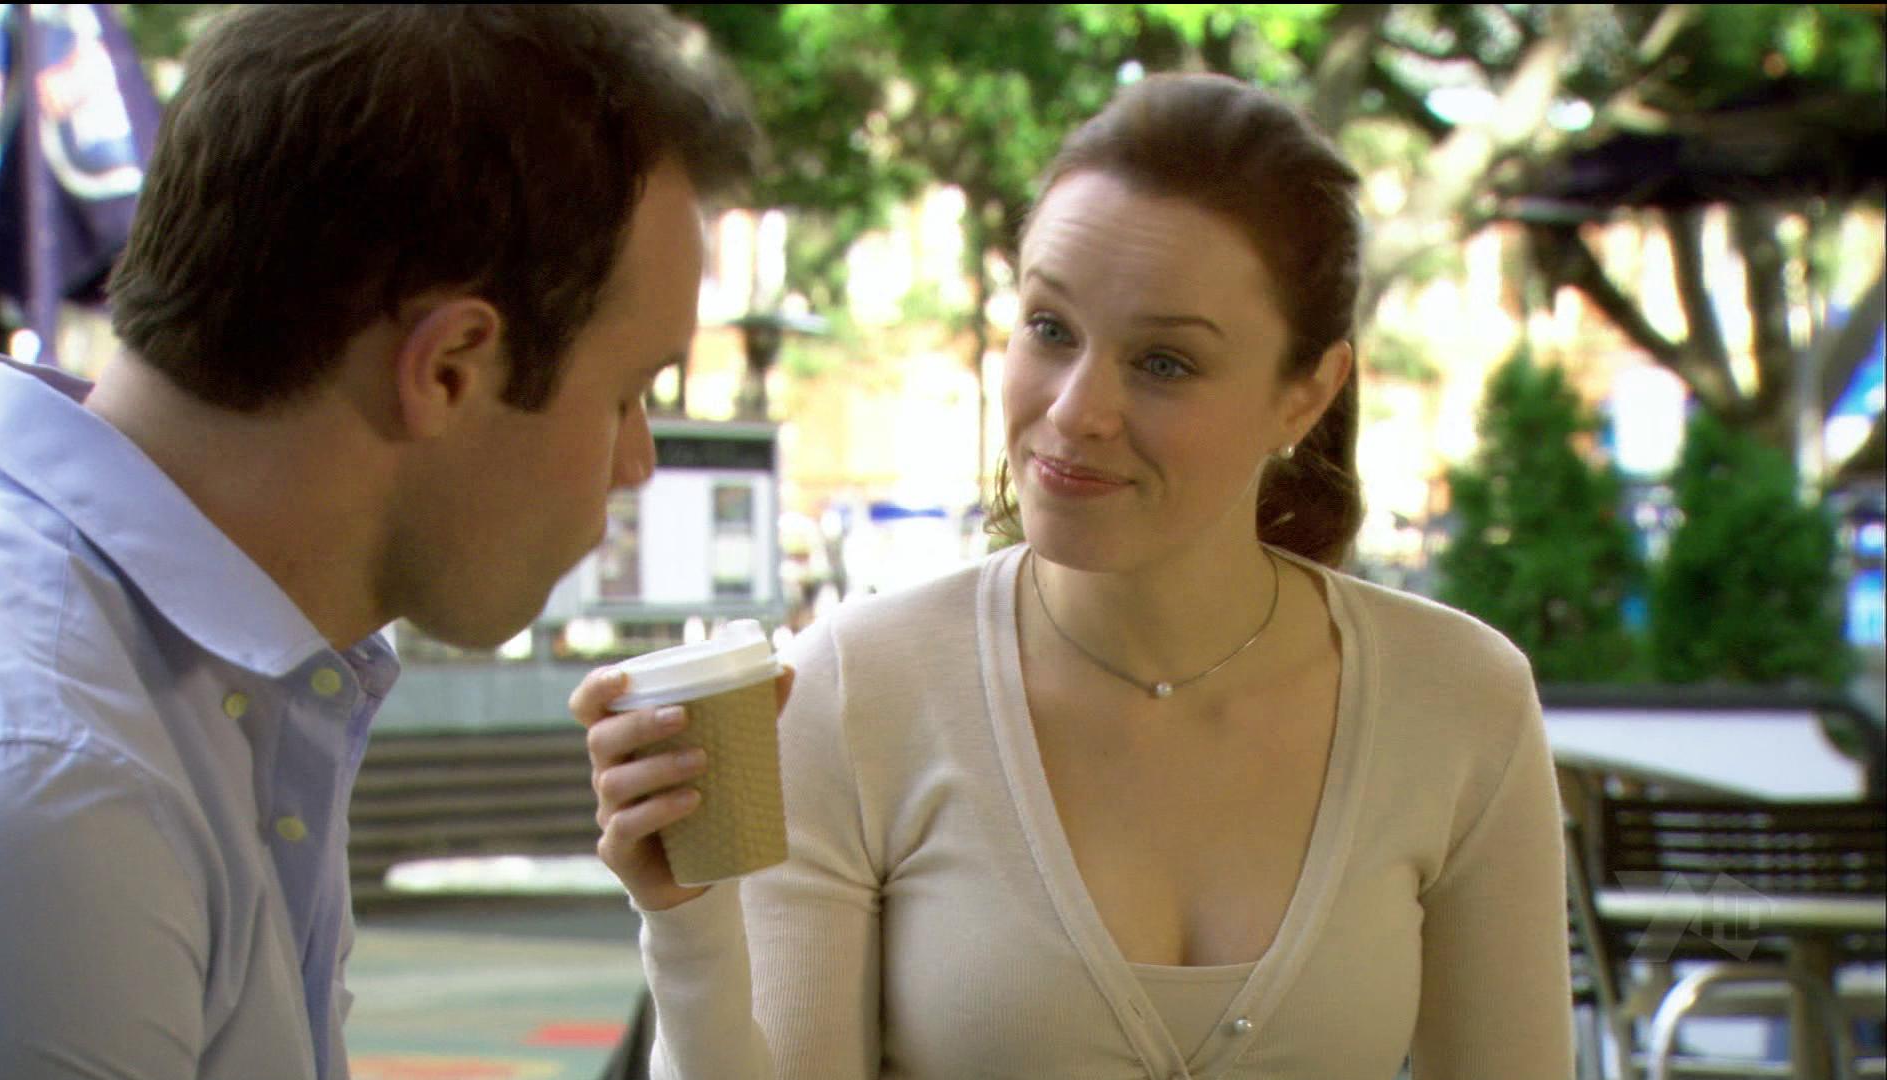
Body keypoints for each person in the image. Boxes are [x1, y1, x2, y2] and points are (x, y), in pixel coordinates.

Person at [576, 73, 1573, 1079]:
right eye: (1050, 329)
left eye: (1165, 363)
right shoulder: (853, 691)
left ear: (1306, 395)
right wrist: (690, 920)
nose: (1075, 410)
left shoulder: (1458, 700)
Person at [0, 6, 756, 1078]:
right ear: (449, 367)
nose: (638, 463)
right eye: (627, 394)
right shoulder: (59, 783)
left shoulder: (213, 674)